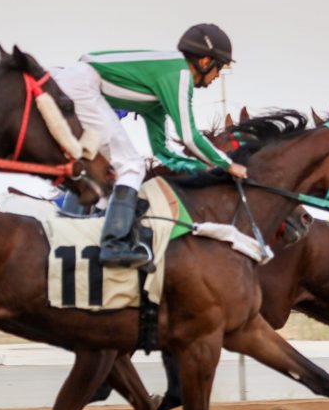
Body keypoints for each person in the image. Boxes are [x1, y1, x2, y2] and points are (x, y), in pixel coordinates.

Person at [54, 24, 247, 267]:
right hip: (80, 85)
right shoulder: (180, 74)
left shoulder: (159, 93)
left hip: (78, 84)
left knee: (112, 173)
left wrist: (203, 168)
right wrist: (228, 165)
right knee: (131, 166)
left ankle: (80, 234)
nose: (218, 76)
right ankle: (113, 246)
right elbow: (189, 136)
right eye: (219, 67)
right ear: (205, 61)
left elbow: (162, 152)